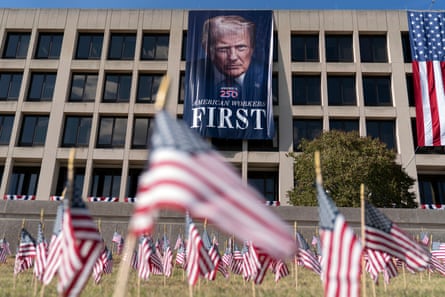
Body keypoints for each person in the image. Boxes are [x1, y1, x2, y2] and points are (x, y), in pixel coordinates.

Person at [188, 15, 268, 101]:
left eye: (241, 47)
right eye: (223, 49)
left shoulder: (266, 75)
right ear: (207, 50)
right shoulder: (191, 73)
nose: (232, 57)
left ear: (252, 48)